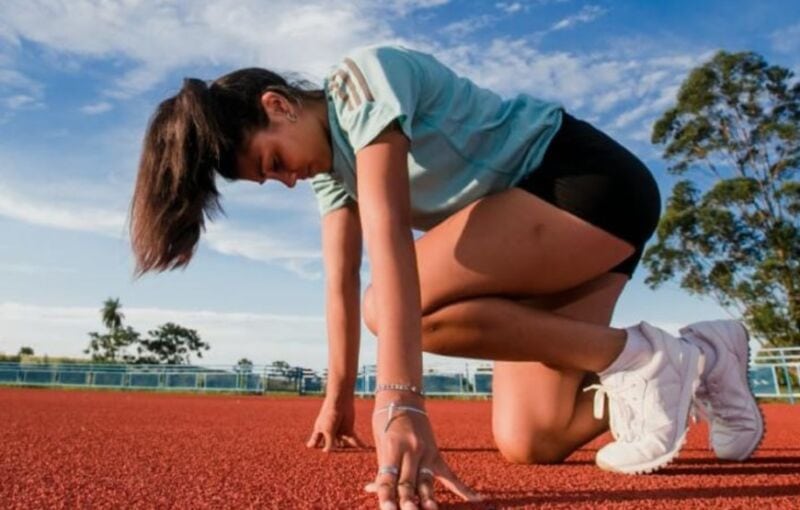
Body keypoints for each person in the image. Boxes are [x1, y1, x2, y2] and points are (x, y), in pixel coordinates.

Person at [129, 45, 763, 509]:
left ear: (278, 106)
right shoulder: (329, 174)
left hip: (584, 187)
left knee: (398, 304)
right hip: (535, 247)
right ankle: (699, 356)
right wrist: (339, 402)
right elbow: (340, 281)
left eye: (273, 161)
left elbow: (390, 244)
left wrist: (399, 404)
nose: (285, 178)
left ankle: (648, 359)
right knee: (532, 440)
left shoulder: (361, 85)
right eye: (269, 180)